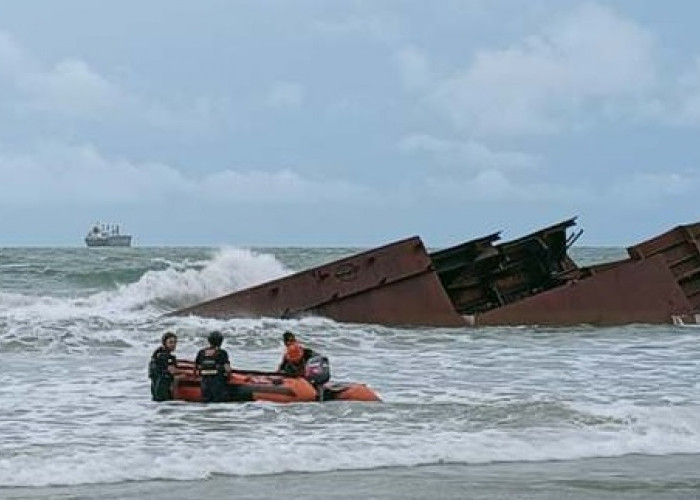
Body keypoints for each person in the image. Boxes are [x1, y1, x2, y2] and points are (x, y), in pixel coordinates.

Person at [195, 330, 232, 403]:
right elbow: (227, 369)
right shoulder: (222, 353)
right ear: (221, 342)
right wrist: (229, 378)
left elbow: (197, 368)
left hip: (205, 384)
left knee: (206, 402)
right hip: (218, 384)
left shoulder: (201, 352)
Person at [148, 331, 180, 401]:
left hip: (157, 387)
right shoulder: (163, 356)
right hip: (162, 387)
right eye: (171, 342)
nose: (173, 344)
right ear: (164, 343)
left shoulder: (157, 355)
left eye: (175, 342)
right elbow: (172, 371)